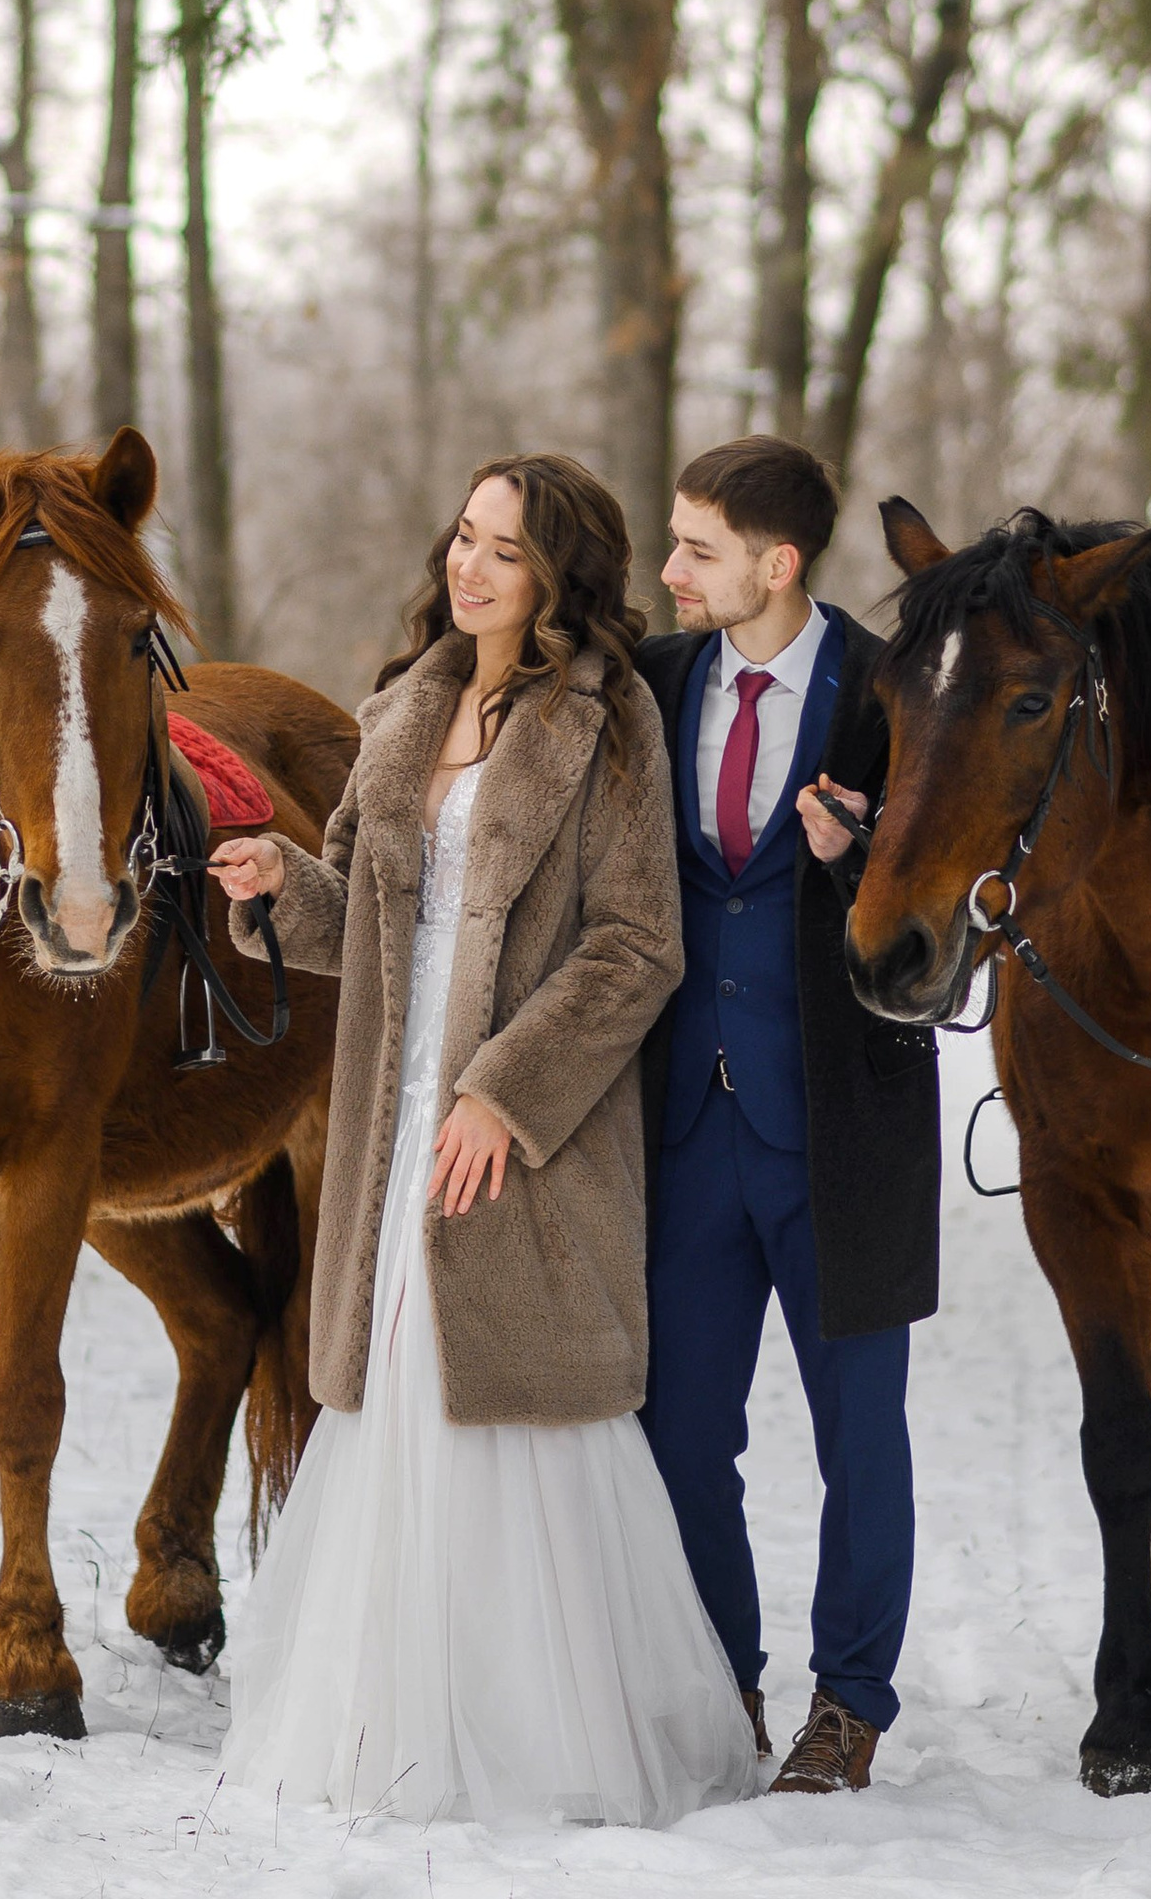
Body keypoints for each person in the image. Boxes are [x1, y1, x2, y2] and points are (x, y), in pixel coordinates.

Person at [210, 454, 757, 1829]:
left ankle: (537, 1740)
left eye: (504, 551)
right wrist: (284, 889)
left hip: (526, 1128)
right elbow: (371, 930)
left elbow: (640, 949)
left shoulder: (610, 722)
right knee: (394, 1392)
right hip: (394, 1125)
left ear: (557, 577)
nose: (469, 568)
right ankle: (389, 1726)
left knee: (515, 1406)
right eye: (464, 536)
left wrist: (505, 1094)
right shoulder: (401, 710)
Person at [634, 437, 941, 1795]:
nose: (670, 570)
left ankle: (849, 1705)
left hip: (845, 1131)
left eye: (696, 548)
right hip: (686, 1130)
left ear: (778, 562)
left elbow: (950, 902)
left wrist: (864, 850)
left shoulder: (894, 698)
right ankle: (720, 1683)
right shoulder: (651, 684)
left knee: (857, 1439)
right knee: (681, 1434)